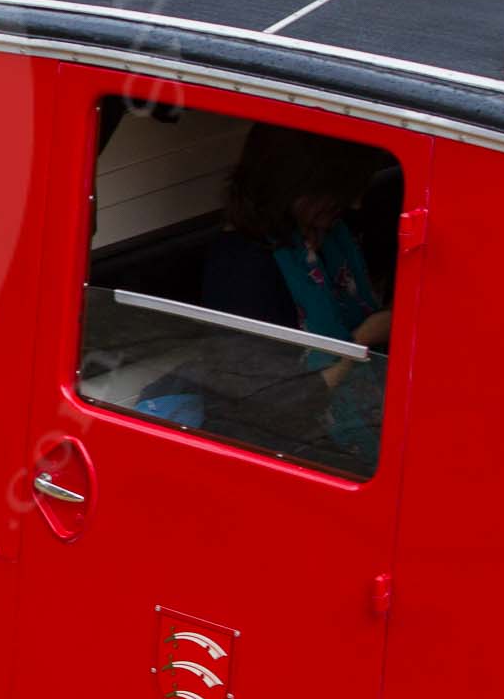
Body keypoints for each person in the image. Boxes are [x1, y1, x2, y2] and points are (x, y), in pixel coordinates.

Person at [138, 123, 394, 471]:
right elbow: (272, 404)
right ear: (296, 185)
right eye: (338, 190)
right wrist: (361, 341)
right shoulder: (243, 271)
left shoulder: (326, 239)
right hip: (277, 443)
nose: (354, 202)